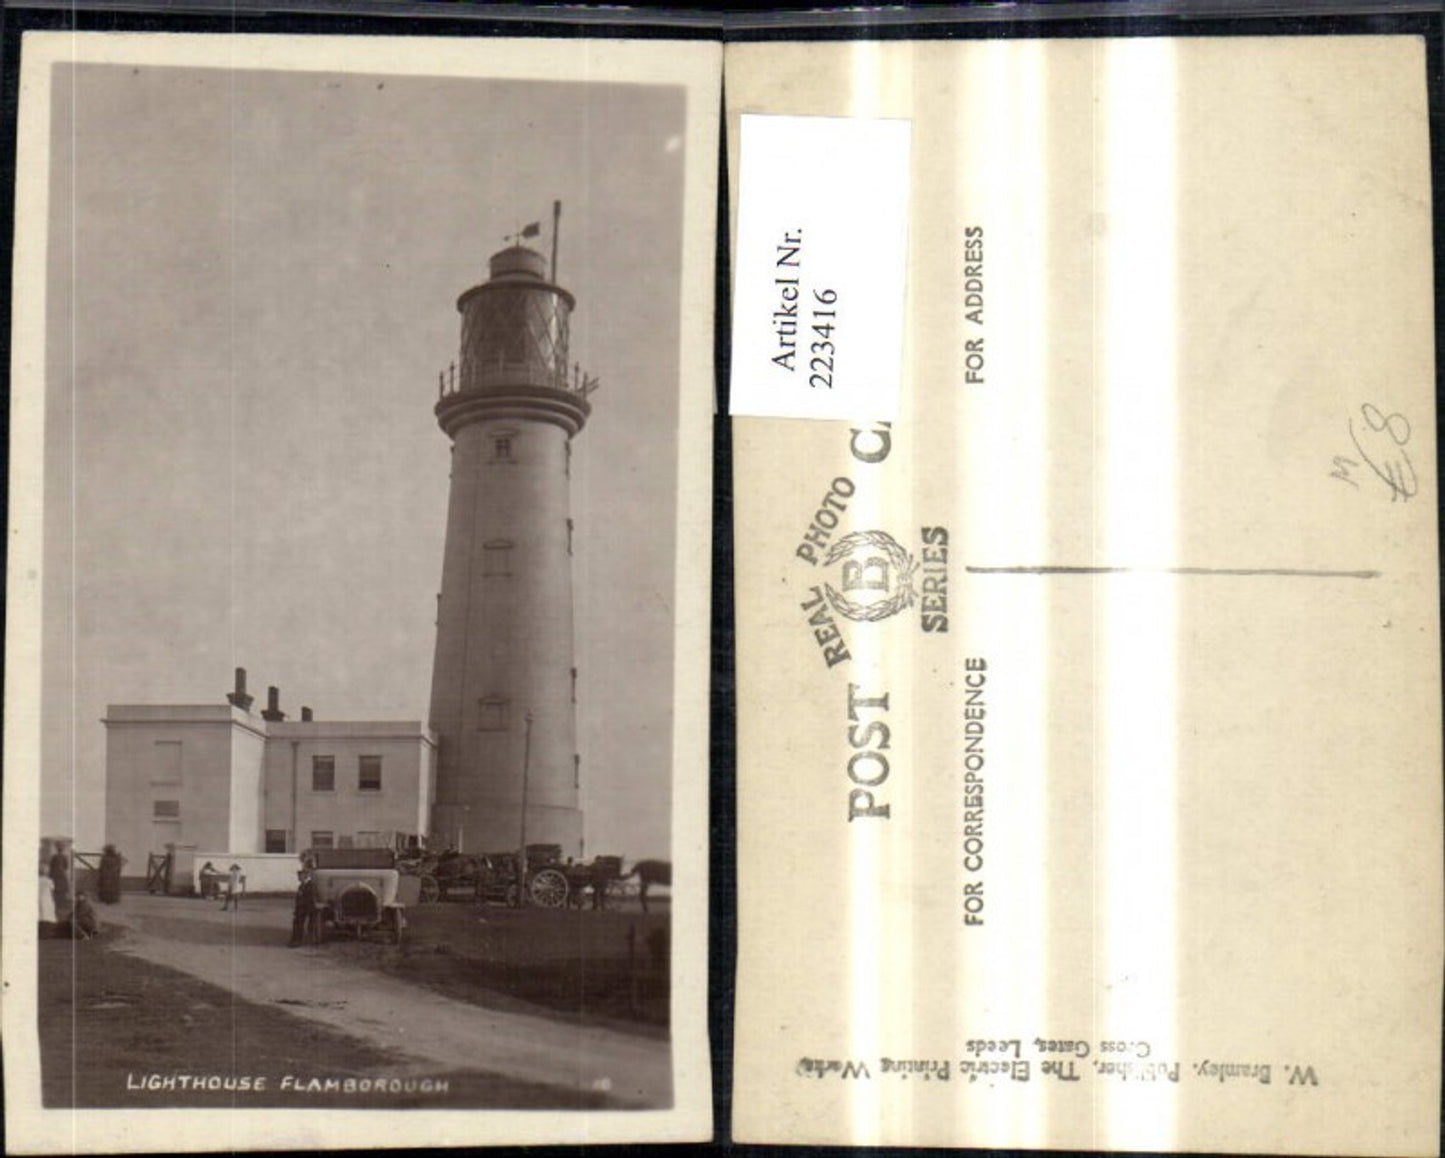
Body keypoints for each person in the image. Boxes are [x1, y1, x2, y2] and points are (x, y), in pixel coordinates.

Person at [288, 869, 318, 947]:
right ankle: (296, 940)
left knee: (308, 925)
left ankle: (304, 941)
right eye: (298, 875)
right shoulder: (301, 885)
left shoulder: (310, 885)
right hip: (301, 908)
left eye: (300, 876)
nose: (299, 877)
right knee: (297, 923)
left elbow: (310, 898)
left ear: (305, 876)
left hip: (308, 908)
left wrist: (305, 908)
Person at [49, 840, 72, 921]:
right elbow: (66, 866)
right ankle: (60, 904)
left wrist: (51, 874)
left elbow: (51, 866)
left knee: (56, 889)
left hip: (55, 875)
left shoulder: (54, 857)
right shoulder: (64, 857)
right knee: (62, 889)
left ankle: (57, 904)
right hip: (61, 875)